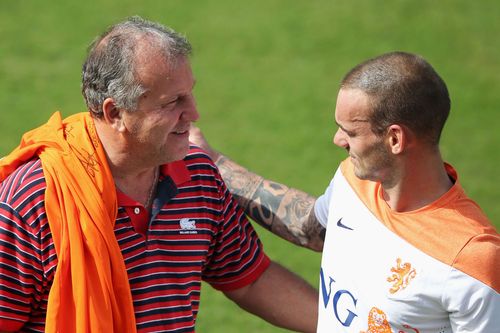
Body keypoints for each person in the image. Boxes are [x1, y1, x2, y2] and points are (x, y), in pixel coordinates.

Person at [0, 16, 319, 333]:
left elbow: (251, 280)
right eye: (173, 102)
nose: (193, 113)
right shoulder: (34, 201)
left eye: (190, 93)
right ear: (115, 114)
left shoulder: (198, 176)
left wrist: (354, 327)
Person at [190, 51, 500, 332]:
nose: (338, 140)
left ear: (395, 139)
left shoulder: (471, 261)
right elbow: (312, 228)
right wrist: (216, 163)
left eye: (351, 131)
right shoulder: (355, 181)